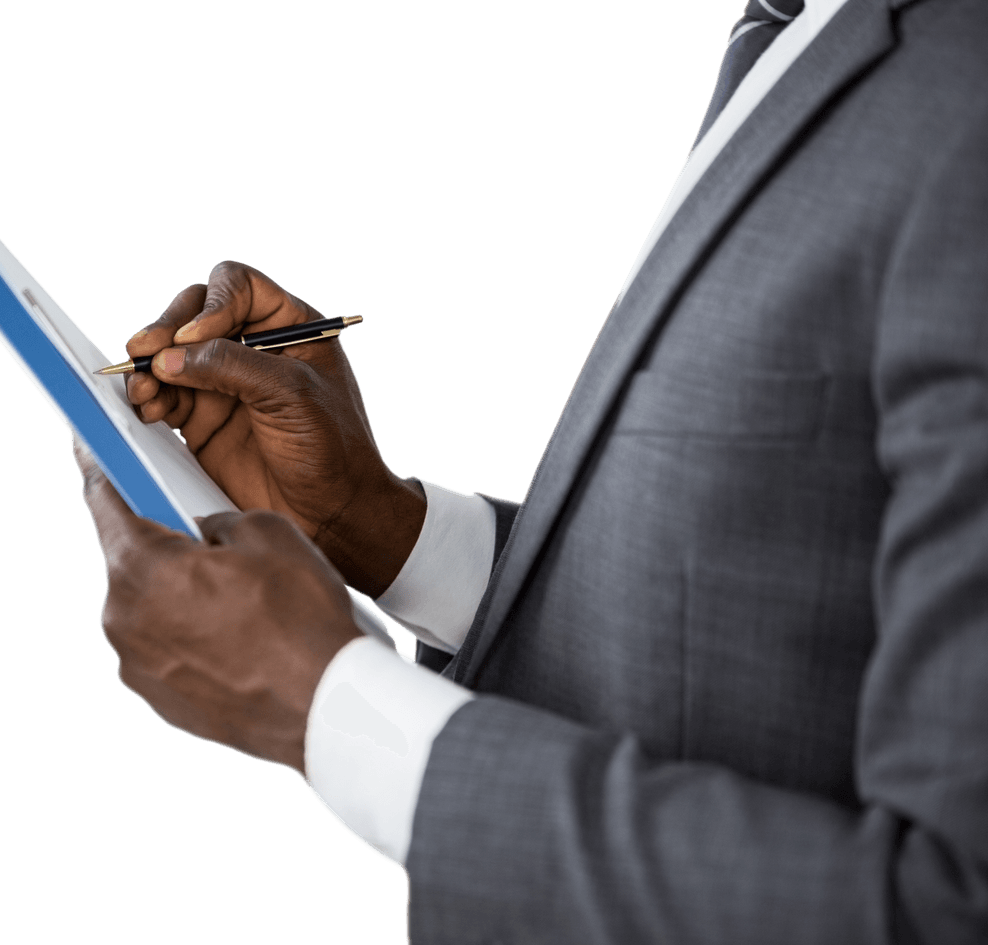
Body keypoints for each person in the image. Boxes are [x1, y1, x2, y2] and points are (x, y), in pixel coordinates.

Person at [73, 0, 988, 940]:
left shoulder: (963, 95)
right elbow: (780, 632)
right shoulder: (803, 34)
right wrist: (383, 532)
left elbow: (947, 906)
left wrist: (329, 709)